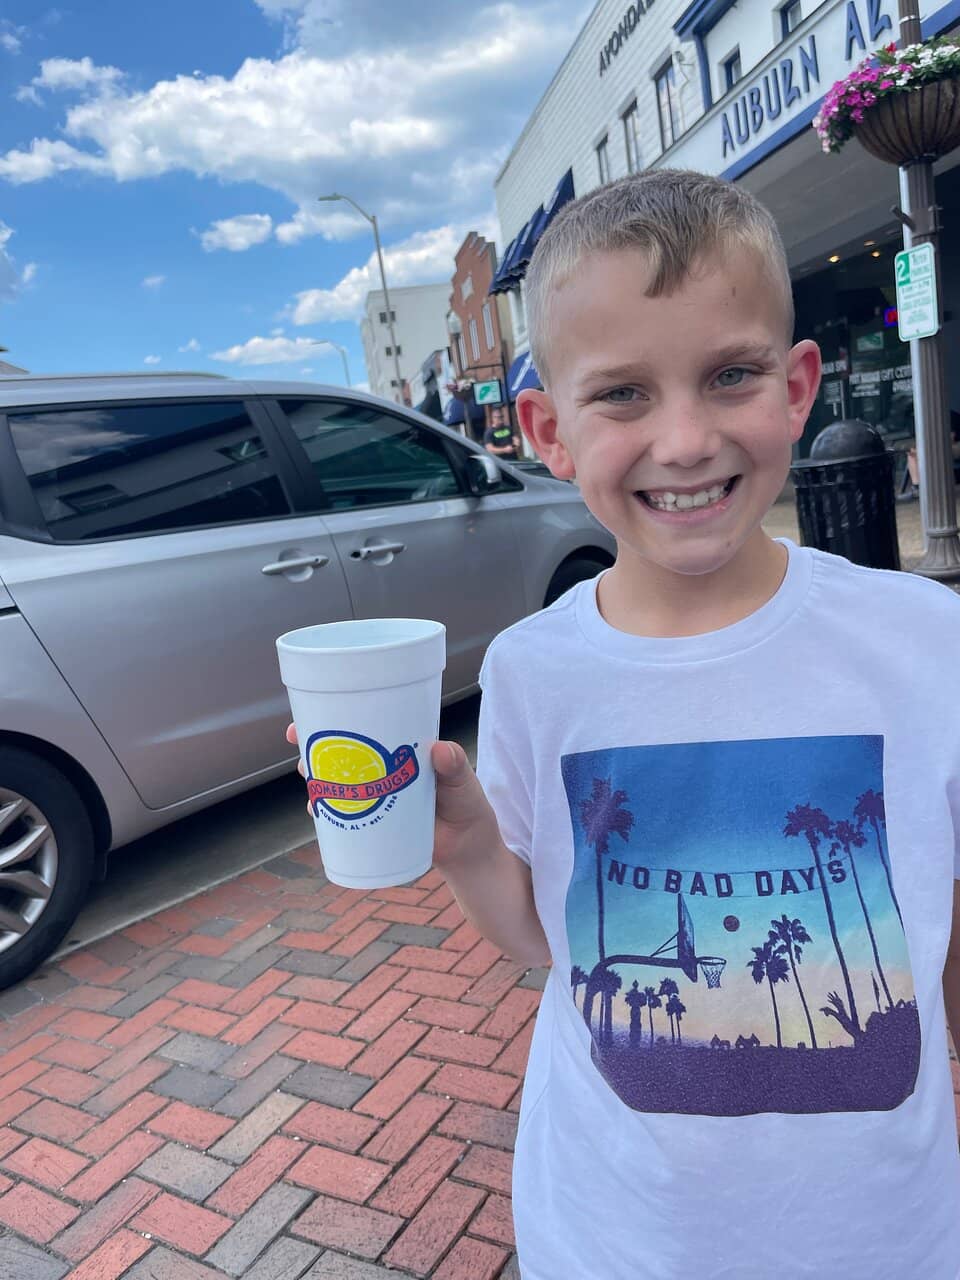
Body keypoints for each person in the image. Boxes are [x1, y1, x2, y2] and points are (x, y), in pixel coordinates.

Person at [289, 169, 960, 1278]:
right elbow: (558, 952)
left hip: (883, 1232)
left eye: (730, 374)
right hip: (616, 1232)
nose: (686, 438)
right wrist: (462, 845)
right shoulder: (533, 670)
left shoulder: (923, 642)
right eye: (624, 395)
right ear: (548, 428)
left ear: (797, 388)